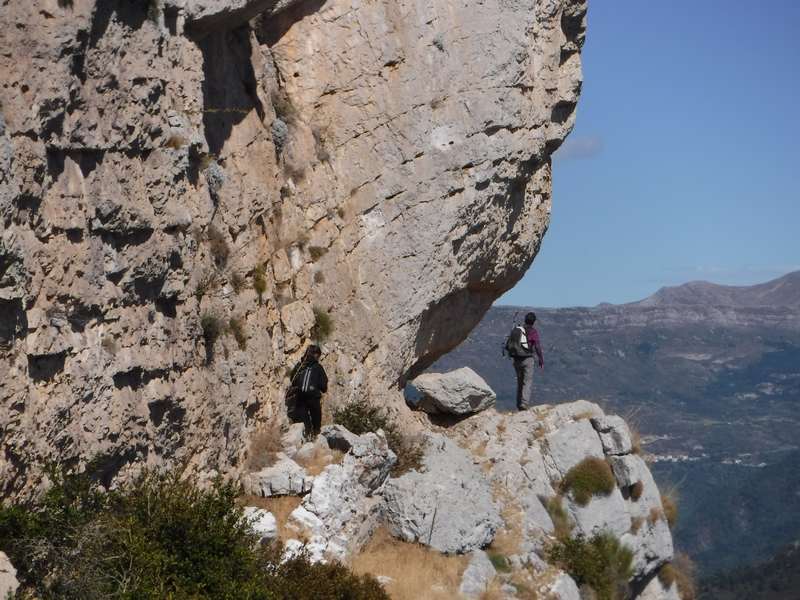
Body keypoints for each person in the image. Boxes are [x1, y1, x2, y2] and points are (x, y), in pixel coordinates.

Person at [289, 345, 328, 438]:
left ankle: (306, 435)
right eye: (318, 356)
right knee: (316, 418)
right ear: (316, 355)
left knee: (304, 419)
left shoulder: (300, 365)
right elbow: (323, 385)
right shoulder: (318, 367)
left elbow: (292, 379)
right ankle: (316, 435)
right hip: (313, 397)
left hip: (300, 397)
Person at [513, 312, 544, 410]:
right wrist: (541, 359)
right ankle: (524, 404)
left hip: (516, 359)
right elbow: (537, 346)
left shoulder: (517, 330)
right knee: (527, 382)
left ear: (525, 320)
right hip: (528, 359)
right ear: (534, 322)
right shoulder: (533, 331)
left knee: (520, 382)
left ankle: (519, 404)